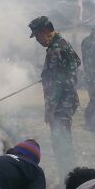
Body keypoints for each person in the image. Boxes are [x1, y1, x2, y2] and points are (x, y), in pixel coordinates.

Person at [29, 15, 80, 176]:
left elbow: (57, 84)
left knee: (61, 142)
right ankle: (69, 174)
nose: (37, 40)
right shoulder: (62, 42)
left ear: (44, 31)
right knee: (64, 139)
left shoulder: (55, 50)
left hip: (60, 104)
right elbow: (76, 62)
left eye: (37, 36)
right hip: (68, 99)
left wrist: (49, 110)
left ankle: (68, 177)